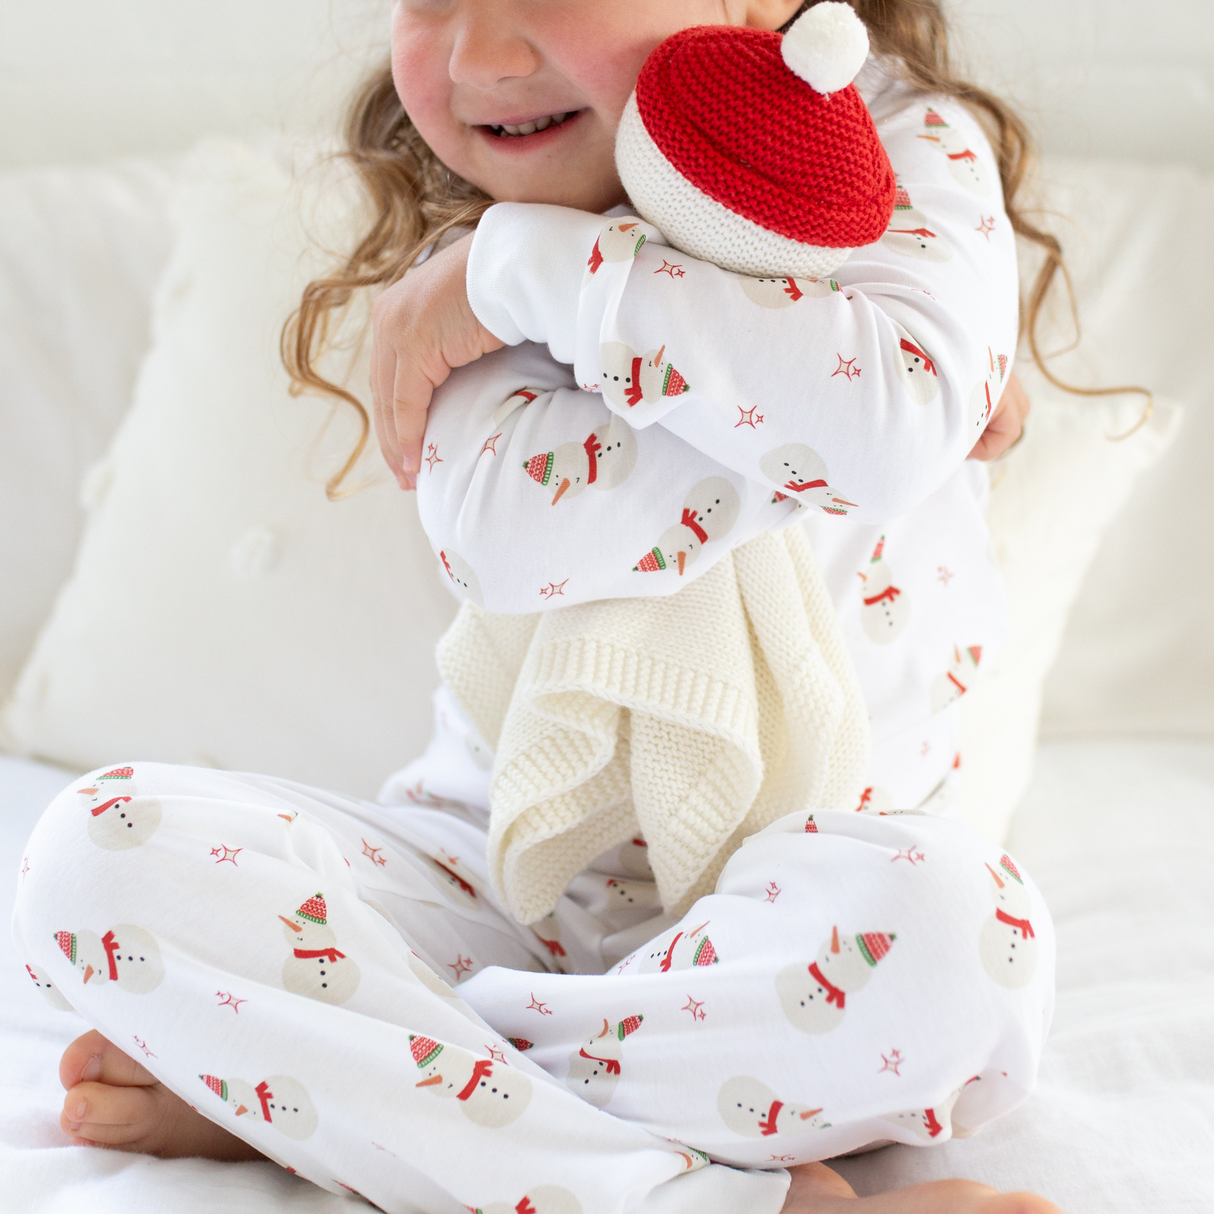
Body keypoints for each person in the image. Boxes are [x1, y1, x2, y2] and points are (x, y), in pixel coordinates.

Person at [15, 3, 1061, 1213]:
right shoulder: (456, 241)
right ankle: (730, 1193)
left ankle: (350, 1083)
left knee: (966, 943)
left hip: (813, 901)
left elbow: (879, 427)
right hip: (502, 882)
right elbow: (526, 533)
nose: (479, 58)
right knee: (94, 857)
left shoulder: (903, 150)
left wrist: (535, 275)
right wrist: (828, 413)